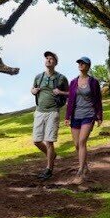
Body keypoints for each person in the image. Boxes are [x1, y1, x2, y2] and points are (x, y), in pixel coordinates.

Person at [29, 51, 69, 179]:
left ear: (55, 62)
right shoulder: (38, 77)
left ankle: (49, 169)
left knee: (49, 141)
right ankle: (52, 155)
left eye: (51, 59)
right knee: (36, 141)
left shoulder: (61, 78)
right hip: (39, 111)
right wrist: (33, 91)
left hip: (53, 111)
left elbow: (69, 93)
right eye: (47, 58)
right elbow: (32, 89)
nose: (48, 60)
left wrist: (60, 92)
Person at [64, 56, 103, 183]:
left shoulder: (93, 82)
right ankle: (85, 166)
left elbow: (97, 100)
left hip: (88, 114)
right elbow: (70, 101)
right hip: (75, 116)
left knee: (81, 142)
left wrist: (99, 116)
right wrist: (67, 117)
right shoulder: (73, 82)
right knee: (76, 144)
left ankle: (80, 170)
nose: (80, 65)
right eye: (79, 63)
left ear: (88, 66)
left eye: (83, 63)